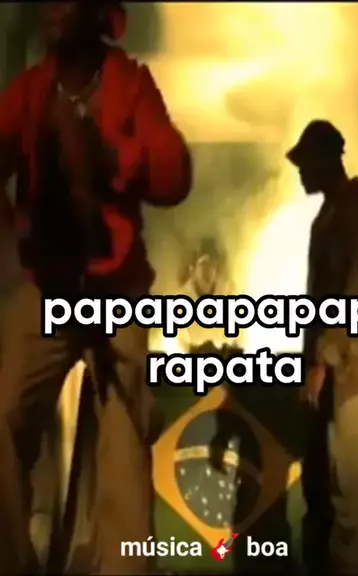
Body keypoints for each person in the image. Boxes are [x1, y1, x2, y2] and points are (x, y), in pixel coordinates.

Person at [0, 2, 192, 574]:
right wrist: (15, 234)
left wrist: (113, 157)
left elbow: (174, 174)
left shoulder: (130, 86)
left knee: (125, 440)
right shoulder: (31, 93)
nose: (53, 10)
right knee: (3, 411)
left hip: (118, 291)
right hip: (50, 288)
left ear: (95, 14)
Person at [286, 120, 358, 575]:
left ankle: (357, 566)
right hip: (332, 360)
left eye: (305, 164)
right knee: (328, 472)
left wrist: (325, 360)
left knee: (350, 474)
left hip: (353, 360)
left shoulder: (357, 209)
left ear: (325, 162)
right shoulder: (330, 215)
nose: (300, 173)